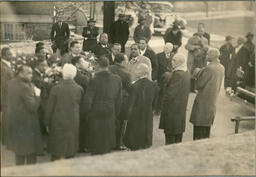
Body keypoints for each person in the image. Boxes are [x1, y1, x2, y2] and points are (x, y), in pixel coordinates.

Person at [82, 57, 122, 154]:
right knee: (107, 142)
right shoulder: (117, 79)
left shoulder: (94, 80)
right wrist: (115, 114)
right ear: (108, 65)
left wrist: (84, 113)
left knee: (96, 143)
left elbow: (88, 100)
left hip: (95, 113)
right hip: (110, 111)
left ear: (98, 66)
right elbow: (119, 100)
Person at [44, 64, 84, 161]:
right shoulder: (79, 89)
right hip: (73, 121)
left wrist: (46, 122)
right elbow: (81, 107)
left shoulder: (56, 88)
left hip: (58, 121)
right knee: (70, 148)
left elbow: (49, 108)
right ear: (74, 74)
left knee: (57, 150)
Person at [5, 65, 43, 165]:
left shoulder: (12, 82)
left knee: (19, 152)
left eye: (31, 73)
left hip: (15, 120)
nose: (31, 75)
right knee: (31, 153)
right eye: (28, 73)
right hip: (27, 123)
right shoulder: (25, 87)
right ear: (21, 73)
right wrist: (38, 95)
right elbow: (33, 107)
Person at [190, 48, 224, 140]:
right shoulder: (221, 67)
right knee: (206, 130)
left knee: (198, 129)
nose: (206, 56)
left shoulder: (209, 68)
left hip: (203, 101)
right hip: (212, 101)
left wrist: (198, 73)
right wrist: (202, 71)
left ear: (213, 56)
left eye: (208, 55)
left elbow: (199, 85)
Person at [124, 63, 158, 150]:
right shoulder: (153, 85)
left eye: (137, 69)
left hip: (135, 114)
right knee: (145, 135)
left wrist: (127, 115)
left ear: (142, 72)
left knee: (134, 137)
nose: (135, 71)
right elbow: (155, 102)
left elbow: (131, 102)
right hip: (147, 113)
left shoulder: (135, 86)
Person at [159, 53, 190, 145]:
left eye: (174, 60)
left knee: (170, 135)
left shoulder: (178, 74)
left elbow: (170, 93)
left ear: (179, 62)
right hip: (180, 107)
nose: (172, 62)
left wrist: (163, 99)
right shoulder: (186, 71)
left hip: (172, 109)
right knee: (178, 134)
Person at [109, 53, 132, 150]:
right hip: (122, 100)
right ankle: (119, 143)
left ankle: (110, 142)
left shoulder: (109, 69)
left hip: (109, 98)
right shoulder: (126, 73)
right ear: (122, 61)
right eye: (126, 60)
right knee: (121, 122)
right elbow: (130, 88)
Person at [71, 56, 91, 152]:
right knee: (82, 125)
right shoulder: (82, 77)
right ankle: (81, 146)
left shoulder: (76, 74)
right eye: (83, 61)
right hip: (82, 104)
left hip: (76, 103)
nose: (85, 63)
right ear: (77, 65)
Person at [32, 59, 51, 135]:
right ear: (39, 65)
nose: (46, 67)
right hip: (40, 107)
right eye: (44, 65)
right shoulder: (36, 78)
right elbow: (40, 93)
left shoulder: (37, 74)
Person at [1, 47, 14, 145]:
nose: (12, 56)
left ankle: (6, 138)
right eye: (9, 54)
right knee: (6, 116)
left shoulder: (6, 65)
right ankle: (6, 139)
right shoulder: (3, 68)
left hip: (7, 96)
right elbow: (5, 85)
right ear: (4, 55)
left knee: (7, 116)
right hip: (6, 96)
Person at [156, 43, 174, 113]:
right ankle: (158, 109)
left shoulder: (173, 56)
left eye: (167, 48)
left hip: (169, 78)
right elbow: (156, 67)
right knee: (160, 93)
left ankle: (165, 108)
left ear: (171, 49)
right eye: (165, 47)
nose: (165, 49)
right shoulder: (158, 56)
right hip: (160, 77)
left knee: (167, 94)